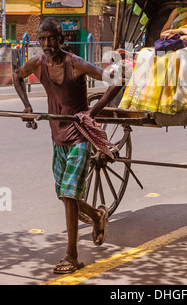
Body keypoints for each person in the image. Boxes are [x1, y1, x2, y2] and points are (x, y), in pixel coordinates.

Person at [13, 17, 122, 275]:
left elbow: (115, 81)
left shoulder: (75, 63)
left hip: (79, 136)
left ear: (62, 40)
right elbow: (17, 76)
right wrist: (27, 107)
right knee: (64, 194)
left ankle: (72, 255)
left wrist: (92, 111)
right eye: (42, 39)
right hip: (57, 136)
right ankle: (96, 216)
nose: (47, 43)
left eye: (52, 38)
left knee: (70, 195)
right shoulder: (37, 64)